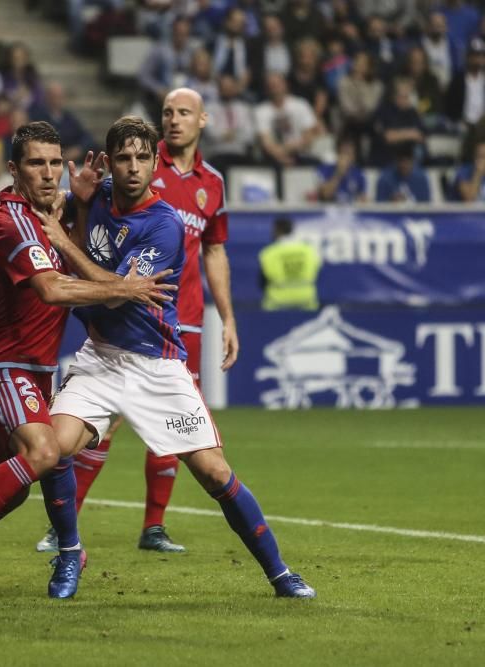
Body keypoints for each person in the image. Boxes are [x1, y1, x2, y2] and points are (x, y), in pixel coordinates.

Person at [41, 115, 316, 599]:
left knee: (214, 472)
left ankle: (280, 572)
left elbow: (112, 293)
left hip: (155, 363)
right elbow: (61, 230)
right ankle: (69, 552)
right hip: (101, 357)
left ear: (153, 164)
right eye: (123, 158)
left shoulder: (164, 223)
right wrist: (76, 207)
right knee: (51, 450)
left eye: (142, 158)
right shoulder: (95, 196)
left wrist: (66, 238)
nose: (132, 167)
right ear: (110, 161)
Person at [0, 122, 175, 600]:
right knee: (45, 452)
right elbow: (52, 288)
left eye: (55, 163)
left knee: (19, 484)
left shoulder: (50, 215)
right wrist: (125, 287)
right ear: (15, 169)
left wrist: (77, 207)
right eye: (37, 164)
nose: (48, 173)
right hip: (3, 365)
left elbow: (73, 255)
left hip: (35, 369)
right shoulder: (12, 220)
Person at [38, 88, 237, 555]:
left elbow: (214, 250)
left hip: (179, 317)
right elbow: (82, 213)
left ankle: (153, 526)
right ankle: (65, 526)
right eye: (167, 112)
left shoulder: (213, 183)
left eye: (183, 113)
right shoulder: (140, 166)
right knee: (103, 425)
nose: (174, 120)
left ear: (203, 120)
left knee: (170, 431)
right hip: (126, 308)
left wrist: (227, 317)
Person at [258, 217, 321, 311]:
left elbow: (263, 281)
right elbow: (316, 270)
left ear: (276, 231)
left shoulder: (268, 253)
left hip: (277, 302)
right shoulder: (309, 250)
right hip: (306, 300)